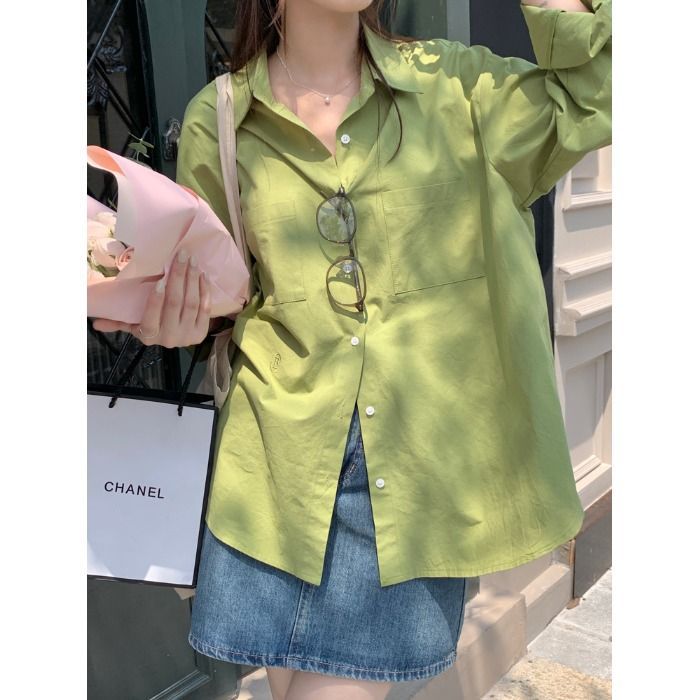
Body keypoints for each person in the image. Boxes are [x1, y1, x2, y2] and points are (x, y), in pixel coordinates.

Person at [93, 0, 612, 698]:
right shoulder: (220, 118)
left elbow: (601, 88)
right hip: (274, 483)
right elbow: (228, 297)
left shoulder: (456, 88)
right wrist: (181, 321)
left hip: (410, 489)